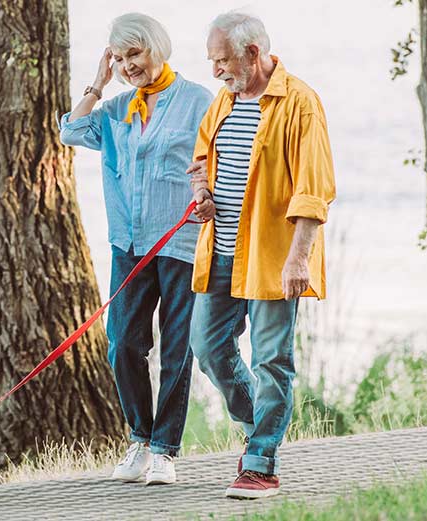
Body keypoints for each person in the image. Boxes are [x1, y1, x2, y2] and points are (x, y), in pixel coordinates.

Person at [186, 11, 336, 499]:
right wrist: (202, 191)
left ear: (253, 54)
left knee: (271, 359)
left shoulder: (301, 103)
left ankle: (260, 462)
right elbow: (201, 157)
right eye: (212, 62)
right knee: (207, 348)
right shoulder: (225, 99)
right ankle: (261, 426)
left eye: (222, 61)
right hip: (222, 252)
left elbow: (314, 191)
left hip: (273, 255)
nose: (215, 72)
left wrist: (299, 259)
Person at [59, 12, 212, 485]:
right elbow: (70, 132)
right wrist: (97, 85)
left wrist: (208, 197)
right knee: (123, 343)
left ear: (157, 48)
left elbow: (218, 159)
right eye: (121, 58)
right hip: (128, 242)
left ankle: (165, 450)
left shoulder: (198, 101)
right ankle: (139, 439)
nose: (129, 65)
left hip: (181, 240)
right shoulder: (117, 108)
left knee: (176, 348)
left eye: (135, 54)